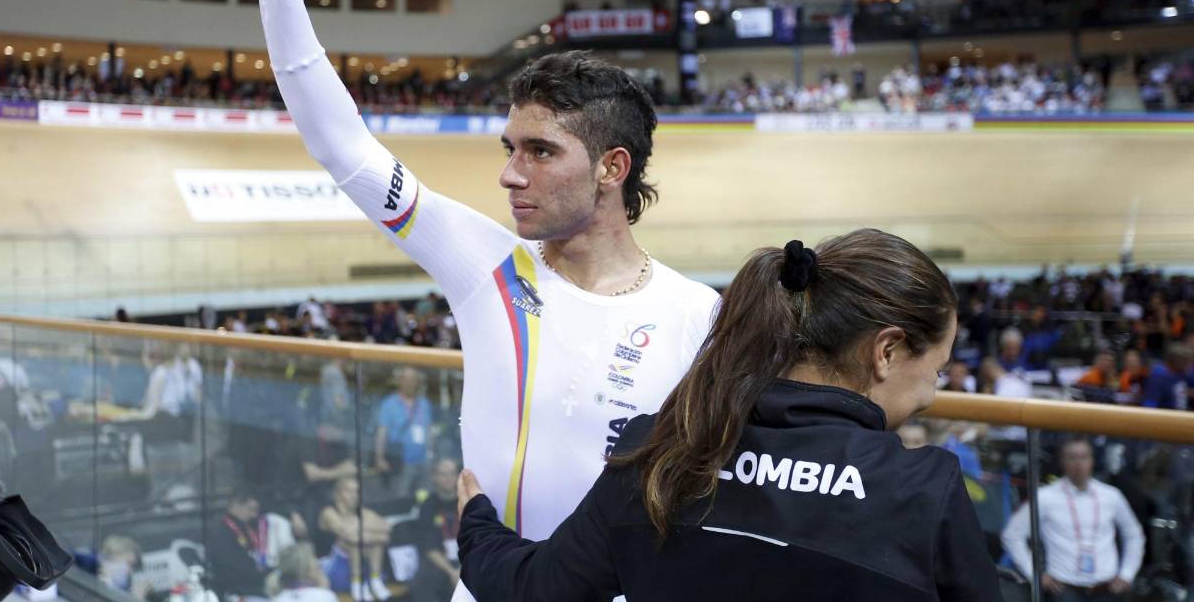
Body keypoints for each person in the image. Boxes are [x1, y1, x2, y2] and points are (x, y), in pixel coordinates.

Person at [252, 0, 719, 602]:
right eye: (510, 148)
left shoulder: (700, 316)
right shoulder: (488, 266)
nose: (509, 173)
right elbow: (345, 149)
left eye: (540, 152)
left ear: (612, 168)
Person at [455, 230, 1001, 601]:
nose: (930, 396)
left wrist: (477, 526)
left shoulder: (658, 452)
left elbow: (533, 588)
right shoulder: (922, 491)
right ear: (886, 351)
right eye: (935, 371)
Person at [1002, 436, 1144, 600]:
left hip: (1106, 589)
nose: (1079, 464)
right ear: (1063, 461)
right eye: (1072, 458)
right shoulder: (1045, 497)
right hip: (1064, 589)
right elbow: (1012, 535)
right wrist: (1034, 574)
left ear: (1092, 460)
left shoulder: (1111, 495)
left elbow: (1134, 534)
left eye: (1084, 457)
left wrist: (1127, 573)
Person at [318, 476, 392, 602]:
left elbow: (386, 531)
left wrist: (361, 533)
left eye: (357, 491)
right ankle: (357, 585)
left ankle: (375, 581)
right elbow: (349, 536)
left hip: (365, 569)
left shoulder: (363, 512)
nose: (354, 495)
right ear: (338, 494)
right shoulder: (329, 512)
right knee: (354, 544)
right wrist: (370, 533)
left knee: (375, 544)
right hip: (334, 569)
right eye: (349, 491)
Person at [374, 367, 433, 498]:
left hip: (423, 460)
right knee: (401, 496)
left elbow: (429, 431)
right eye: (406, 379)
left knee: (425, 495)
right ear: (400, 381)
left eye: (413, 380)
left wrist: (431, 454)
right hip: (401, 461)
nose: (409, 383)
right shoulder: (389, 404)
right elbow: (382, 432)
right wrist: (379, 458)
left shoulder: (424, 404)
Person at [411, 458, 463, 601]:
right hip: (440, 562)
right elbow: (429, 546)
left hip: (467, 560)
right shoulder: (427, 506)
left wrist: (462, 569)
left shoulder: (468, 502)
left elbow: (478, 540)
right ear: (434, 477)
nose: (448, 478)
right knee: (422, 583)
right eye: (443, 474)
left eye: (452, 473)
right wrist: (452, 572)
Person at [269, 544, 337, 602]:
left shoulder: (277, 599)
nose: (318, 562)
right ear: (307, 572)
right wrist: (324, 590)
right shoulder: (324, 597)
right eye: (318, 567)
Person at [1141, 343, 1191, 409]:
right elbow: (1150, 403)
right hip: (1165, 413)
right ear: (1176, 360)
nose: (1189, 363)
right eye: (1186, 360)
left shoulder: (1182, 373)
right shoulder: (1158, 375)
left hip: (1183, 413)